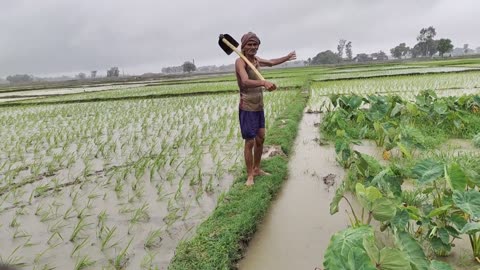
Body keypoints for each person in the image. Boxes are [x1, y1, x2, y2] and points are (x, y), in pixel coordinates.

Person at [235, 32, 296, 186]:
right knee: (249, 142)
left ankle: (257, 169)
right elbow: (245, 80)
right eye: (249, 44)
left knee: (261, 138)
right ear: (243, 46)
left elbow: (271, 62)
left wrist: (286, 58)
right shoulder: (240, 62)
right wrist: (263, 83)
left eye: (255, 44)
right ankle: (250, 175)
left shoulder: (256, 60)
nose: (253, 47)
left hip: (258, 106)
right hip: (247, 106)